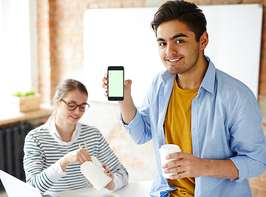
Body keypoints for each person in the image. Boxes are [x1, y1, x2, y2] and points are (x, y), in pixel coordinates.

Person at [102, 0, 266, 196]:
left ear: (203, 40)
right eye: (162, 43)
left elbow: (256, 162)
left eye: (179, 41)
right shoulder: (159, 84)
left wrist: (203, 167)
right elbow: (141, 134)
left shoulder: (237, 96)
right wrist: (125, 99)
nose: (169, 51)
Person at [23, 78, 128, 194]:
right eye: (71, 105)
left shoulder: (93, 135)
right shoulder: (35, 138)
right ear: (56, 102)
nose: (77, 112)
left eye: (82, 106)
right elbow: (32, 187)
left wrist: (110, 183)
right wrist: (65, 161)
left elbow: (122, 173)